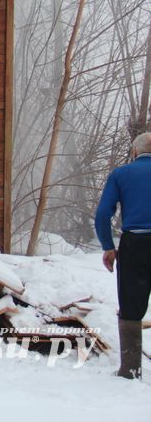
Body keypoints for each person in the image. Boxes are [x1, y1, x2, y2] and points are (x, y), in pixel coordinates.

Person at [94, 131, 151, 380]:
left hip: (135, 243)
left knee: (131, 304)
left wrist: (108, 246)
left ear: (135, 152)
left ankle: (130, 368)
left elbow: (102, 214)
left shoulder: (121, 174)